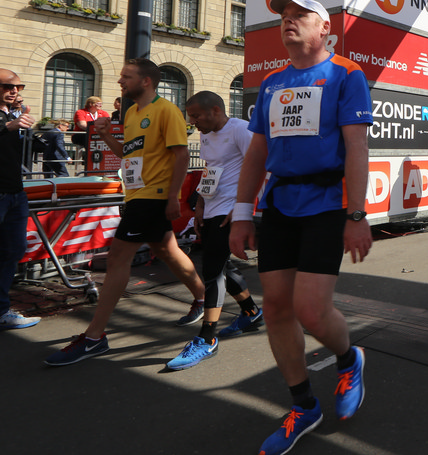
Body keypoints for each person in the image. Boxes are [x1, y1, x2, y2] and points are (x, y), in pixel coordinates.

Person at [228, 0, 373, 455]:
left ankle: (349, 359)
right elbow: (257, 153)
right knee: (275, 308)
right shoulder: (273, 82)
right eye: (284, 18)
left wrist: (356, 215)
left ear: (325, 28)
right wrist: (242, 212)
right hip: (280, 205)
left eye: (299, 17)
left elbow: (357, 149)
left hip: (328, 203)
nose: (288, 22)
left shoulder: (346, 74)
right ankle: (303, 406)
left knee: (310, 310)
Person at [44, 59, 206, 365]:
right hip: (136, 193)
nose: (120, 81)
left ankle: (94, 337)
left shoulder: (166, 110)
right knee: (167, 250)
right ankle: (202, 297)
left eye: (126, 76)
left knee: (118, 256)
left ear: (146, 81)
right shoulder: (131, 113)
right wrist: (107, 135)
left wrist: (173, 197)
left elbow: (182, 155)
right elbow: (127, 155)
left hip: (152, 196)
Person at [163, 91, 264, 371]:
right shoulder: (206, 135)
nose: (193, 121)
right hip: (211, 209)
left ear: (216, 110)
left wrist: (244, 207)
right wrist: (199, 205)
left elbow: (261, 166)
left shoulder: (241, 130)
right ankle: (251, 312)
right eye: (191, 116)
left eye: (196, 116)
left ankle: (207, 338)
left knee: (212, 270)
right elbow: (210, 170)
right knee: (222, 267)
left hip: (231, 209)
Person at [0, 69, 40, 329]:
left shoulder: (11, 115)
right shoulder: (8, 121)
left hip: (15, 193)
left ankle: (2, 311)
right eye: (7, 86)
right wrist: (8, 126)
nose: (14, 90)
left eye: (18, 87)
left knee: (12, 251)